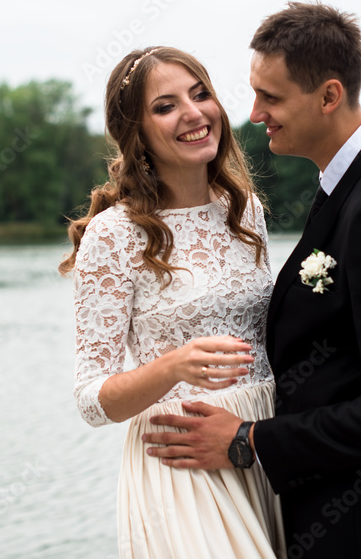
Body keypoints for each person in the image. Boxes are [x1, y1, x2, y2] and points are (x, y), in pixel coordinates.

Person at [142, 3, 361, 558]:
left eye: (271, 97)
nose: (255, 112)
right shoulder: (355, 180)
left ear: (329, 96)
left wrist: (247, 442)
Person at [60, 46, 286, 557]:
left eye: (200, 94)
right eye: (165, 106)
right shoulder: (113, 235)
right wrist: (173, 367)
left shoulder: (245, 210)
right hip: (184, 464)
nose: (193, 113)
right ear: (136, 132)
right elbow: (91, 400)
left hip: (259, 444)